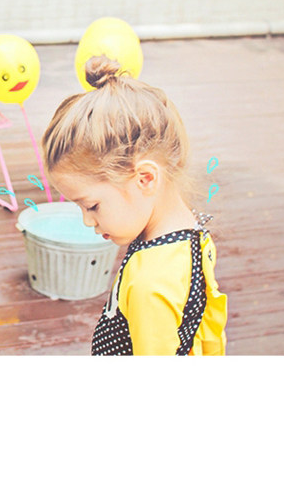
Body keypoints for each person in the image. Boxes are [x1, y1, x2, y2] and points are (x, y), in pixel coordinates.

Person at [42, 55, 227, 355]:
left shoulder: (148, 284)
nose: (87, 221)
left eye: (92, 206)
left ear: (145, 178)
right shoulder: (192, 237)